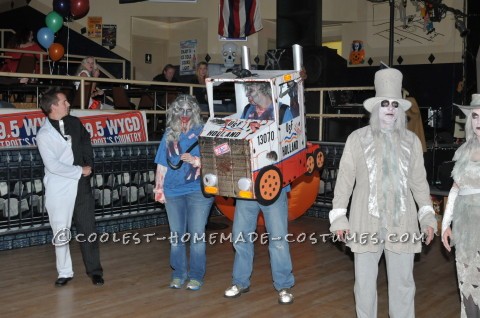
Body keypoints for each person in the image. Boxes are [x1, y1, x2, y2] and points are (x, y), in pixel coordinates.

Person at [328, 68, 436, 318]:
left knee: (403, 286)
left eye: (395, 104)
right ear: (376, 107)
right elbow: (344, 181)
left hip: (403, 223)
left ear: (400, 109)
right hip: (365, 221)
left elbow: (419, 183)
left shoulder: (412, 141)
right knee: (364, 286)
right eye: (384, 103)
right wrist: (339, 218)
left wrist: (428, 218)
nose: (390, 108)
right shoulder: (357, 139)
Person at [224, 81, 295, 304]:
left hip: (274, 185)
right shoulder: (246, 112)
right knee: (241, 236)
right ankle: (240, 282)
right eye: (248, 93)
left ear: (264, 91)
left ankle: (284, 286)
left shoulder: (284, 111)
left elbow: (292, 143)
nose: (250, 97)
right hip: (248, 185)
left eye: (252, 92)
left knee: (278, 238)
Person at [36, 88, 104, 287]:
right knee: (60, 230)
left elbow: (86, 143)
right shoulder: (43, 134)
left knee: (88, 228)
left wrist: (88, 166)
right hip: (59, 187)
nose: (68, 104)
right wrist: (79, 170)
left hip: (81, 185)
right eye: (64, 101)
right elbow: (53, 166)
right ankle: (64, 272)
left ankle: (95, 271)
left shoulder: (75, 122)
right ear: (53, 106)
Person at [153, 94, 214, 291]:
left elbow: (219, 159)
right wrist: (159, 189)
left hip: (198, 190)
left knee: (196, 237)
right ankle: (178, 273)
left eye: (189, 110)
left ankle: (196, 276)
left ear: (194, 112)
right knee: (176, 237)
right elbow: (162, 164)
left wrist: (197, 162)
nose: (184, 114)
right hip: (172, 191)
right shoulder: (169, 133)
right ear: (174, 112)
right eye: (180, 110)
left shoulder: (203, 132)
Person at [442, 93, 480, 317]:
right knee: (466, 284)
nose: (478, 122)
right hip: (464, 230)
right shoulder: (463, 151)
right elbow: (455, 190)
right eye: (475, 116)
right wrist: (446, 225)